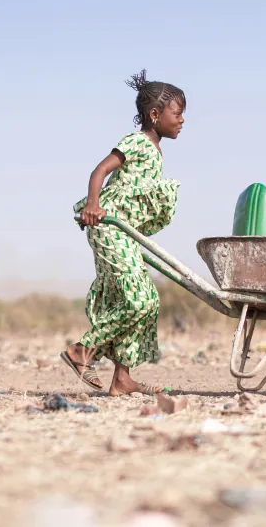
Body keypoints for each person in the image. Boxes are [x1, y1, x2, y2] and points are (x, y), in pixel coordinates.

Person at [60, 69, 185, 397]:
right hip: (109, 229)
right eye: (178, 113)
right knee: (138, 301)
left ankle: (123, 378)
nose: (182, 120)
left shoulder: (156, 152)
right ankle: (82, 351)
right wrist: (92, 204)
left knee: (144, 300)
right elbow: (100, 170)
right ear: (154, 115)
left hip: (126, 234)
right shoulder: (136, 142)